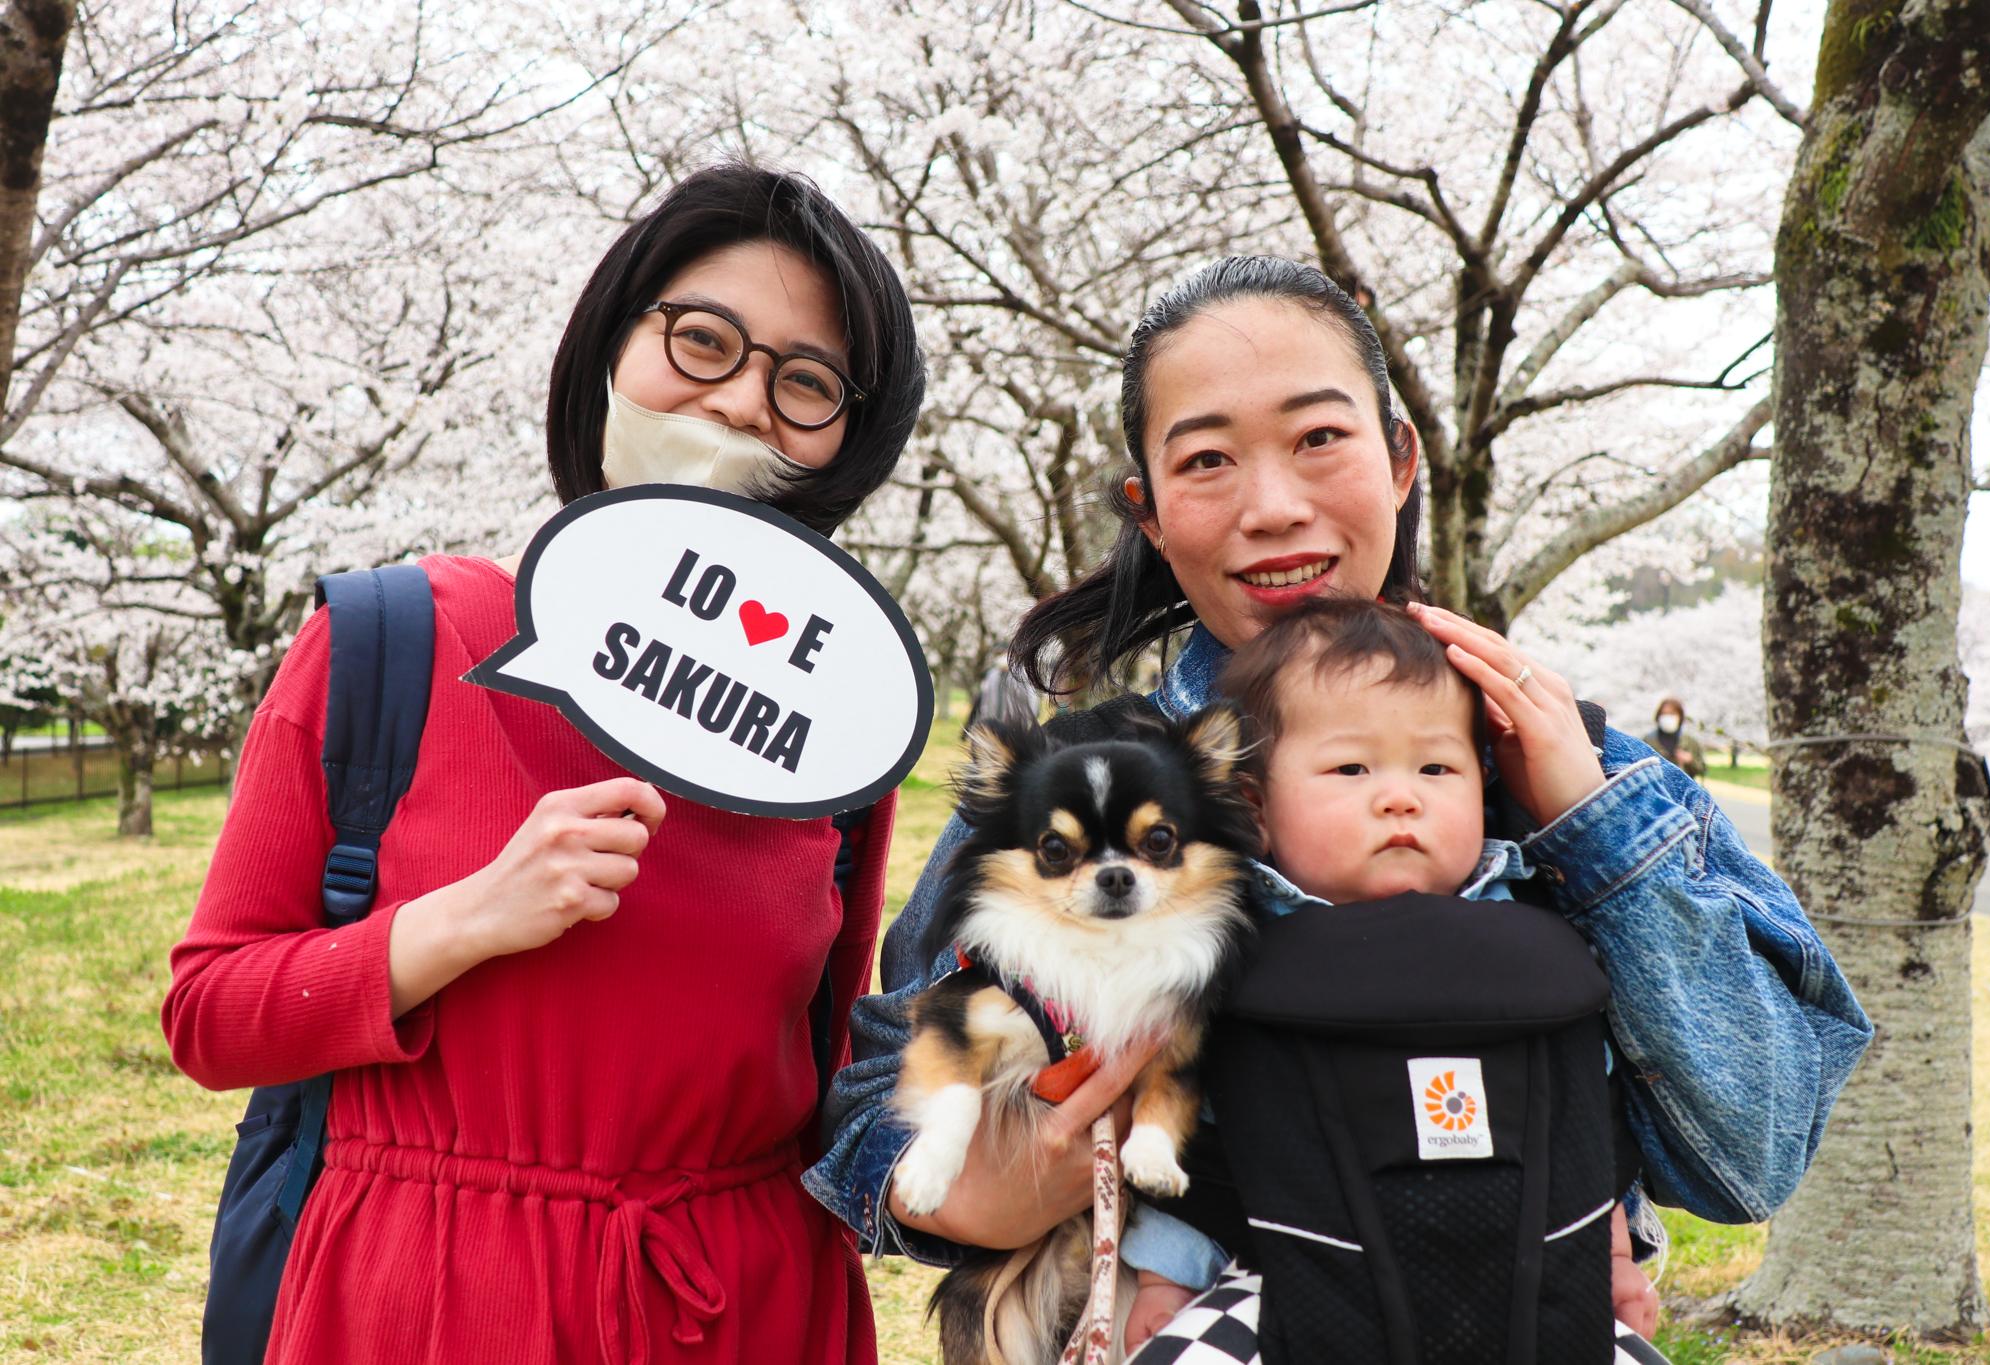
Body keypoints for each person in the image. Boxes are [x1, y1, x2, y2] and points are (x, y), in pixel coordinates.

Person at [807, 254, 1871, 1359]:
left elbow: (1745, 1157)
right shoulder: (1076, 789)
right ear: (1152, 513)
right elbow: (870, 1118)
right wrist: (995, 1180)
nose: (1273, 508)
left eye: (1319, 438)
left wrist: (1589, 824)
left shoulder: (1567, 767)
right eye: (1206, 460)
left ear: (1401, 457)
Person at [162, 163, 925, 1365]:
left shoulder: (835, 729)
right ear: (609, 346)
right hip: (424, 1298)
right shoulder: (391, 639)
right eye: (702, 340)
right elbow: (210, 1016)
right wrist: (462, 920)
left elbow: (823, 1069)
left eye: (806, 382)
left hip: (740, 1303)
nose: (738, 405)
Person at [1123, 597, 1661, 1360]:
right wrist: (1163, 1281)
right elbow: (1201, 1141)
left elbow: (1585, 1117)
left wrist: (1610, 1258)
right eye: (1351, 768)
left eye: (1437, 767)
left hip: (1532, 1283)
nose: (1401, 795)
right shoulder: (1237, 959)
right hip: (1292, 1283)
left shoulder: (1541, 940)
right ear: (1254, 806)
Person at [1642, 697, 1707, 780]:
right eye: (1664, 714)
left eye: (1672, 714)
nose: (1667, 717)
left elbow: (1703, 770)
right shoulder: (1648, 741)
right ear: (1658, 716)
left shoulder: (1690, 742)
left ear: (1680, 716)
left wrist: (1690, 761)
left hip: (1684, 790)